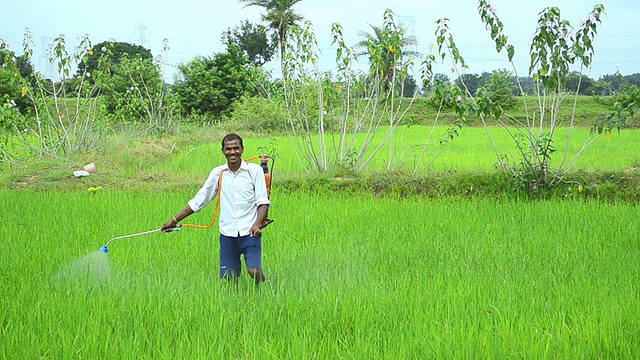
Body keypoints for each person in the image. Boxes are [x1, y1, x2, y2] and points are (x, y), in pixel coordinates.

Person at [162, 133, 271, 284]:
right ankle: (236, 303)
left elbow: (263, 202)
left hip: (250, 231)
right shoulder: (218, 173)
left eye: (236, 148)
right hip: (227, 233)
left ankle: (264, 288)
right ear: (223, 151)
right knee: (230, 277)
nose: (232, 152)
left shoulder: (254, 171)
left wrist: (257, 225)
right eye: (228, 149)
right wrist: (173, 221)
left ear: (242, 149)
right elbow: (199, 201)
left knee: (254, 271)